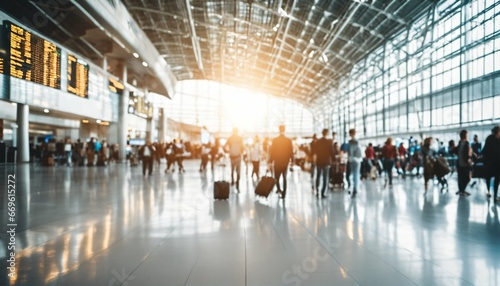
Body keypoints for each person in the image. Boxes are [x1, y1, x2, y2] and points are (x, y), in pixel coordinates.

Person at [269, 125, 294, 200]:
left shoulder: (275, 140)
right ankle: (284, 194)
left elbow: (272, 152)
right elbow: (291, 152)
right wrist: (292, 161)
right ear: (285, 130)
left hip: (277, 162)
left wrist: (270, 161)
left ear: (279, 130)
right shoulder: (288, 140)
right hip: (285, 162)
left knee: (276, 178)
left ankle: (279, 190)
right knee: (284, 178)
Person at [314, 129, 334, 198]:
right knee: (325, 178)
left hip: (319, 161)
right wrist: (333, 159)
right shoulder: (329, 142)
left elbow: (315, 151)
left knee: (318, 176)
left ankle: (317, 190)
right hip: (326, 162)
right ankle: (323, 193)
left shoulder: (318, 142)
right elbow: (332, 152)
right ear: (327, 133)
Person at [482, 126, 500, 201]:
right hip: (496, 163)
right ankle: (495, 195)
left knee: (489, 178)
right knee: (497, 179)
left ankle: (489, 191)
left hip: (490, 163)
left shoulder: (489, 138)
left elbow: (484, 150)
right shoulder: (496, 139)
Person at [451, 130, 472, 196]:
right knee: (463, 178)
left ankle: (462, 190)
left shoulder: (462, 143)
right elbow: (467, 153)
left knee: (464, 178)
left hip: (462, 163)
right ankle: (461, 190)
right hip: (463, 164)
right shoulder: (464, 143)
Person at [347, 129, 363, 197]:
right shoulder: (357, 141)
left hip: (352, 159)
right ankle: (355, 188)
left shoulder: (351, 142)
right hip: (357, 160)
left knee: (353, 174)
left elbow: (350, 151)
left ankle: (354, 188)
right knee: (356, 174)